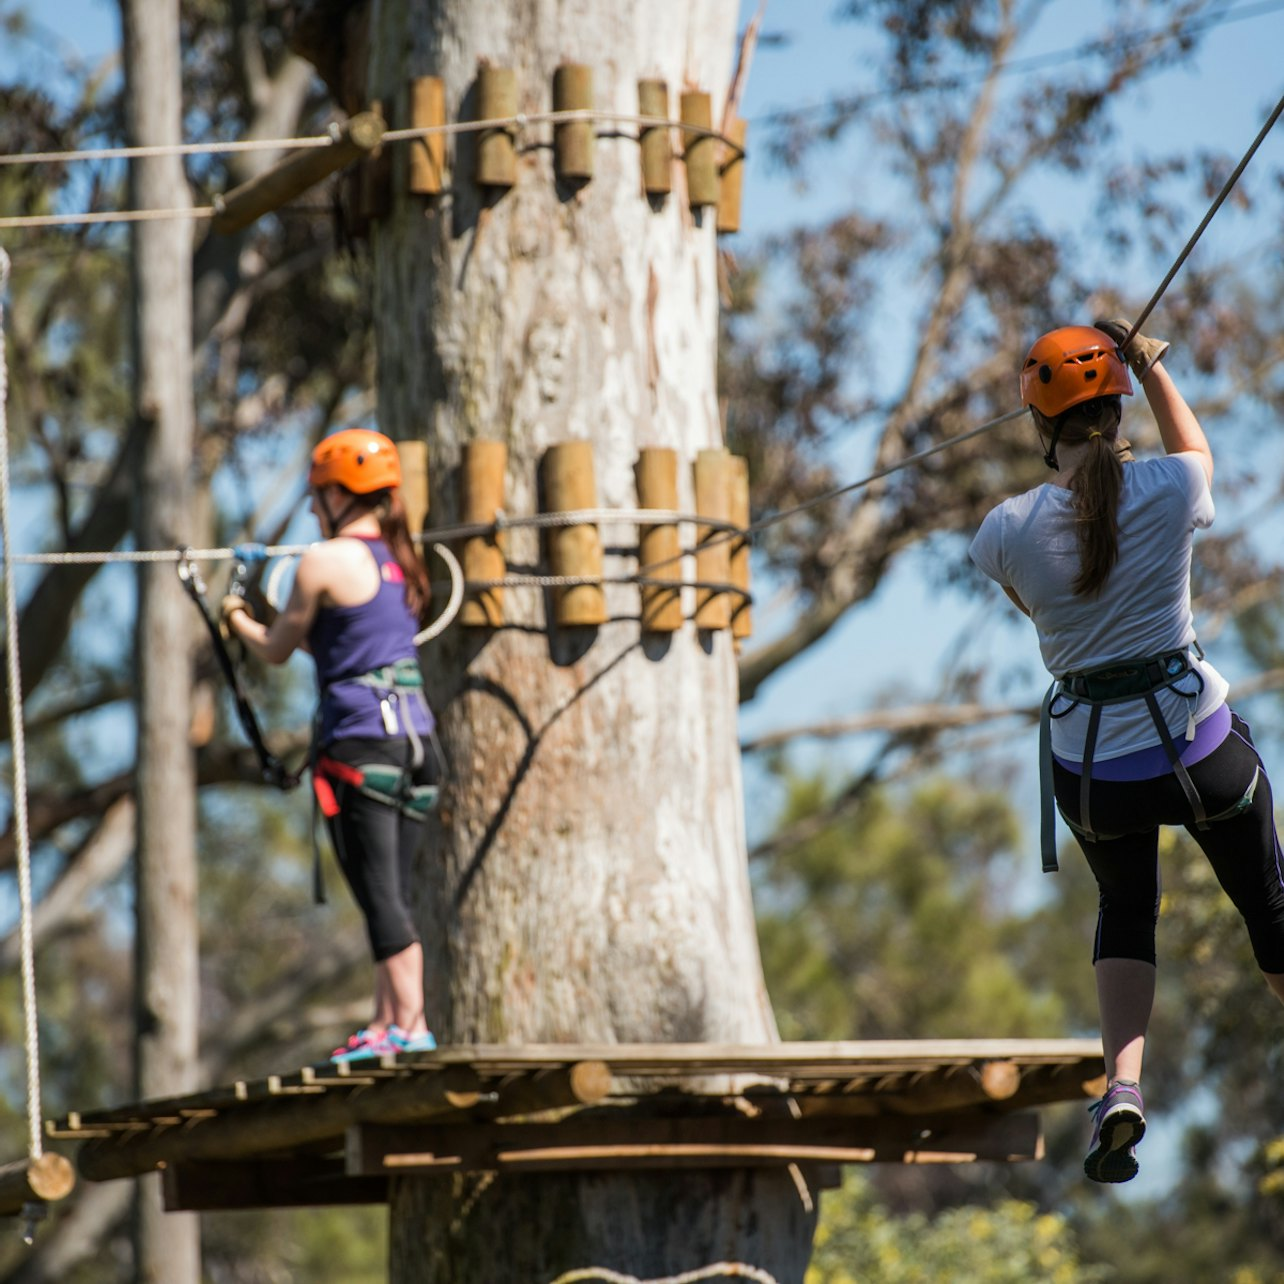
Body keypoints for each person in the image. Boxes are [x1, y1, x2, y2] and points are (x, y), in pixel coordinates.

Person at [969, 320, 1284, 1184]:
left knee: (1126, 909)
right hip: (1198, 750)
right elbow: (1197, 451)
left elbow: (1034, 612)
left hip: (1096, 770)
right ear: (1117, 410)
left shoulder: (1004, 530)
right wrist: (1148, 365)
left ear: (1040, 427)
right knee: (1268, 903)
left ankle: (1123, 1085)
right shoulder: (1172, 488)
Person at [223, 428, 442, 1063]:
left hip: (361, 746)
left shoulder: (323, 561)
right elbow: (343, 645)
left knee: (380, 899)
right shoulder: (401, 560)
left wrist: (235, 606)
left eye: (319, 496)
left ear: (343, 493)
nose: (314, 510)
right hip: (419, 745)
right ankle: (385, 1022)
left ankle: (411, 1026)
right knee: (392, 893)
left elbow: (274, 649)